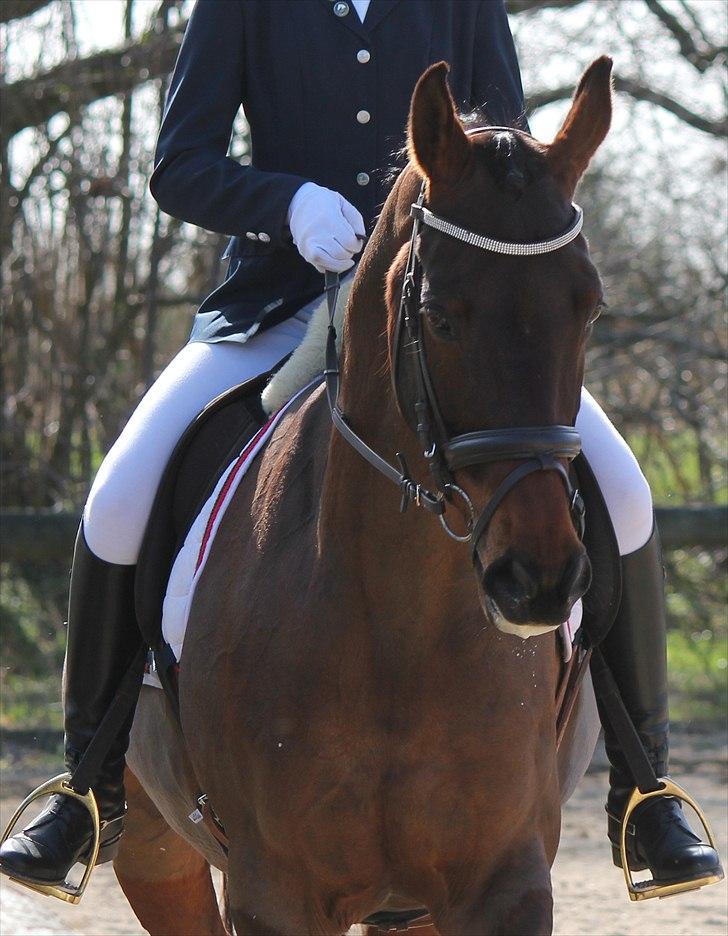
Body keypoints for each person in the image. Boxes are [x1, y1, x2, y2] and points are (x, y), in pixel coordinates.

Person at [0, 0, 720, 896]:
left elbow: (506, 156)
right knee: (117, 497)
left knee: (626, 491)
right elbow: (178, 166)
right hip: (274, 305)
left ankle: (645, 789)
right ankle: (88, 786)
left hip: (449, 313)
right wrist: (285, 204)